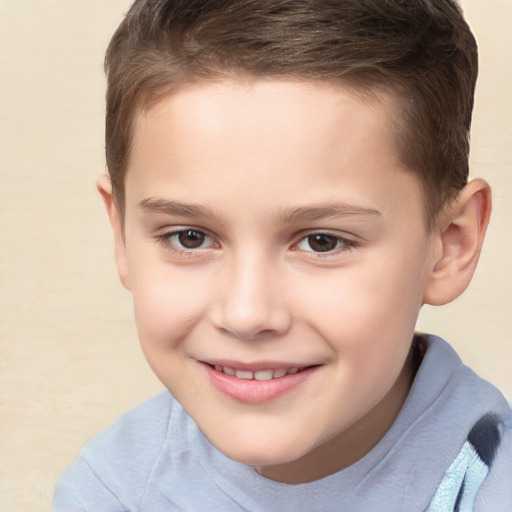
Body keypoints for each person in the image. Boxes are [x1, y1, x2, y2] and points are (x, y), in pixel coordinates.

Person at [52, 0, 512, 510]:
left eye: (322, 241)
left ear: (451, 244)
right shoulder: (110, 492)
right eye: (189, 237)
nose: (247, 314)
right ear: (121, 236)